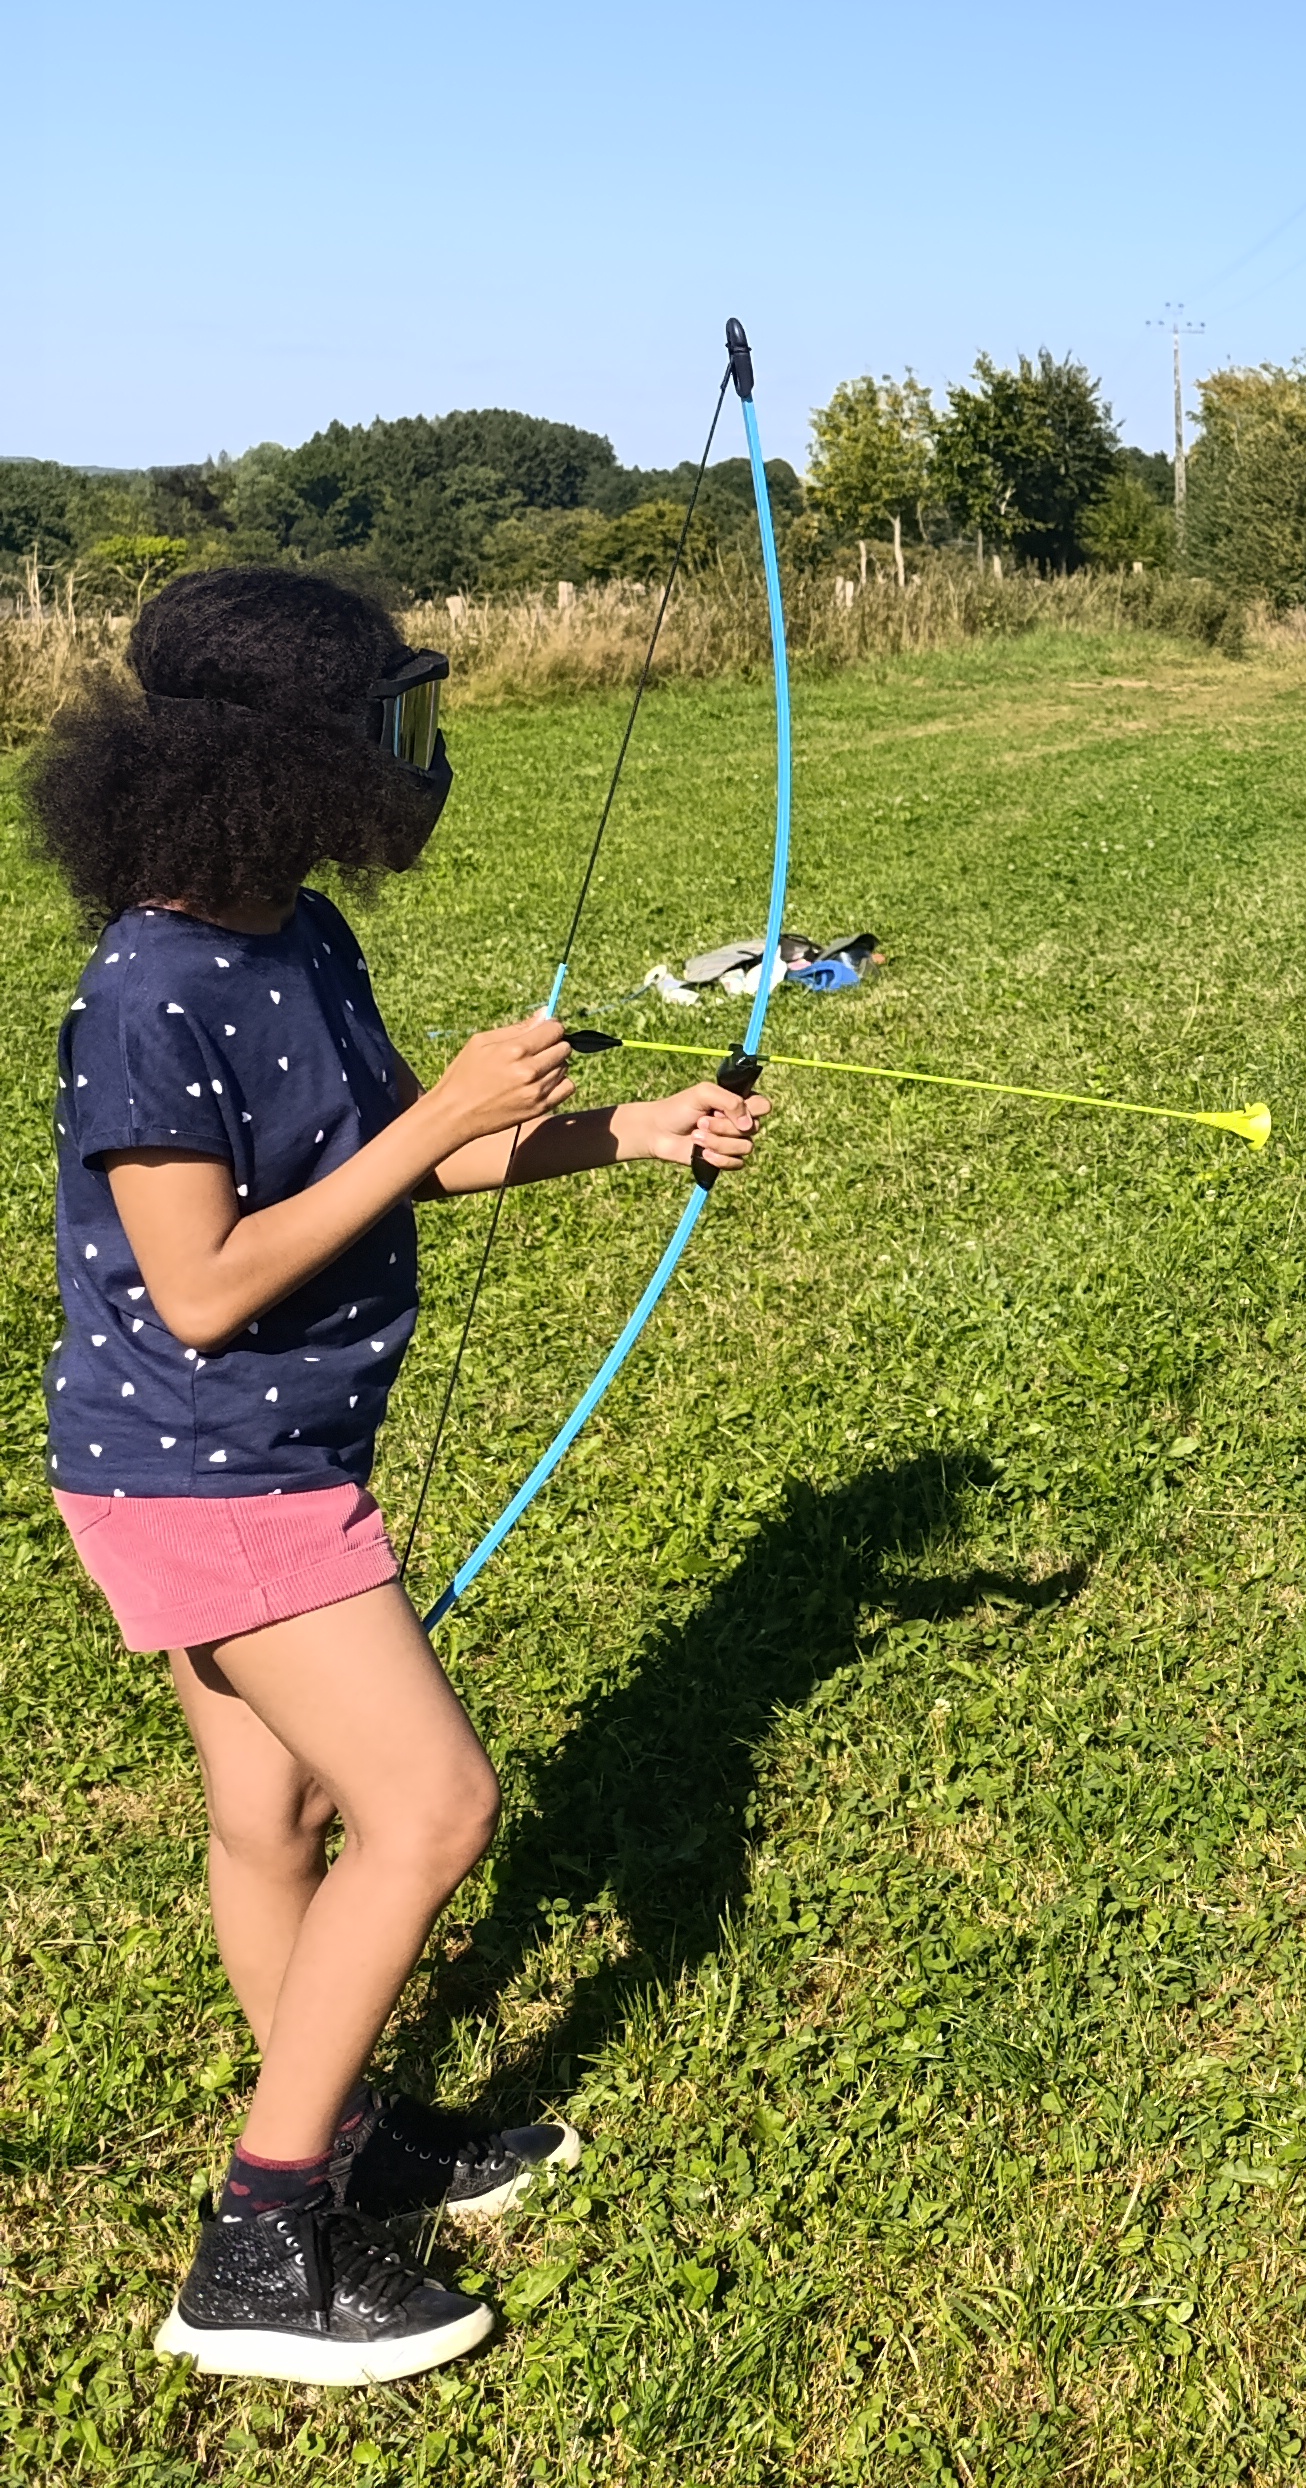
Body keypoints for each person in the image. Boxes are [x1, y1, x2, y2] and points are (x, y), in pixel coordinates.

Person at [21, 568, 768, 2386]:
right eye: (388, 728)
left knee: (273, 1822)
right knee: (433, 1808)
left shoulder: (299, 936)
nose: (411, 760)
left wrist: (624, 1129)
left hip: (261, 1460)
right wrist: (444, 1110)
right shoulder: (148, 989)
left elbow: (395, 1174)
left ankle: (338, 2129)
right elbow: (203, 1284)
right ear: (271, 763)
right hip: (207, 1472)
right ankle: (261, 2246)